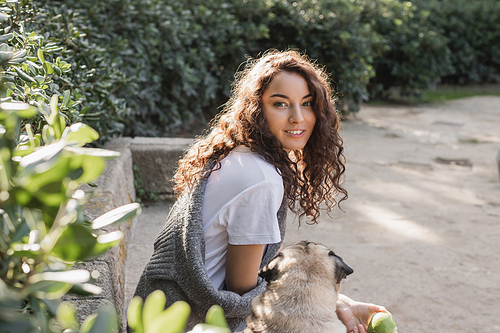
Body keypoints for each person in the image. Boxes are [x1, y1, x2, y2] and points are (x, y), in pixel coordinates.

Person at [132, 50, 387, 333]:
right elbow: (243, 293)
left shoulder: (236, 154)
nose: (298, 118)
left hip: (158, 315)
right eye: (280, 104)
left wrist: (339, 304)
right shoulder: (260, 178)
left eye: (307, 103)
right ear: (257, 109)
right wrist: (329, 306)